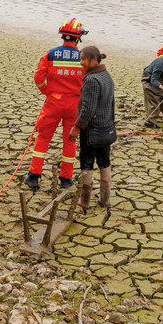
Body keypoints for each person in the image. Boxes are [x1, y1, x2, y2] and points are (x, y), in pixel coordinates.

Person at [24, 18, 88, 191]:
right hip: (75, 104)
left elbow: (38, 78)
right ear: (78, 37)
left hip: (54, 102)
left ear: (63, 36)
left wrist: (47, 91)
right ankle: (66, 179)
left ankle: (33, 177)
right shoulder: (84, 57)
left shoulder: (50, 54)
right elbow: (88, 82)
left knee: (43, 137)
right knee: (70, 140)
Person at [68, 46, 115, 211]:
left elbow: (87, 109)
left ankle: (85, 203)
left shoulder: (91, 80)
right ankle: (105, 200)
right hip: (107, 129)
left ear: (94, 60)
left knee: (87, 164)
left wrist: (76, 128)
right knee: (104, 162)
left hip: (92, 131)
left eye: (83, 59)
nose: (81, 63)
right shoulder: (106, 76)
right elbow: (111, 105)